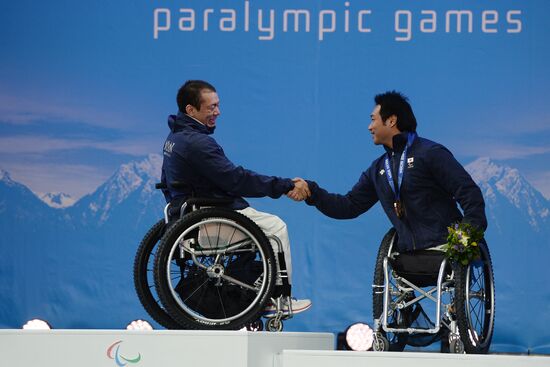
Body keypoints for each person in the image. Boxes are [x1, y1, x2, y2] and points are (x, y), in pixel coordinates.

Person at [161, 80, 311, 316]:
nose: (217, 112)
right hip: (211, 215)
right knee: (275, 228)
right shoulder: (198, 143)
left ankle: (255, 289)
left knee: (261, 226)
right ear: (191, 110)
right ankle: (275, 298)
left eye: (217, 106)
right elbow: (237, 179)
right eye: (211, 108)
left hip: (191, 215)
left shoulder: (174, 138)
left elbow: (166, 182)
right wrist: (284, 186)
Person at [290, 90, 487, 253]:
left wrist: (466, 235)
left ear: (391, 120)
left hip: (447, 247)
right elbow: (348, 206)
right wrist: (312, 192)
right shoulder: (378, 169)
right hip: (407, 255)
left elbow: (469, 193)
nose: (369, 127)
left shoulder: (431, 153)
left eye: (373, 119)